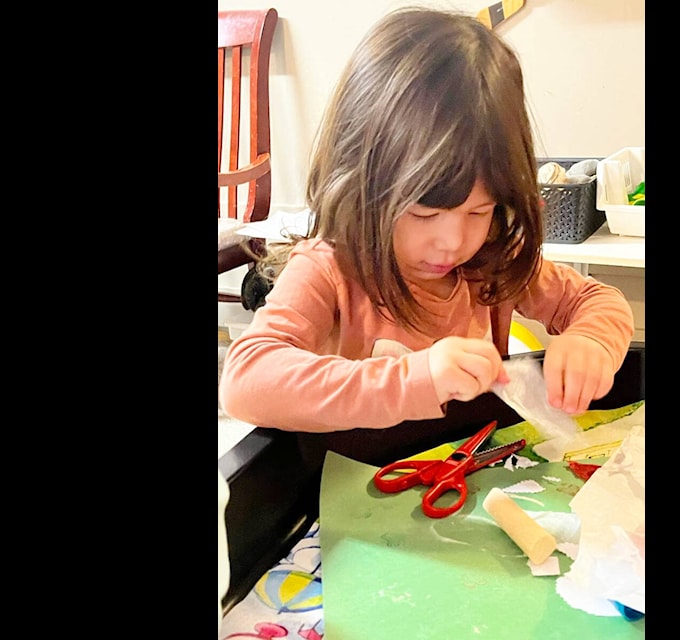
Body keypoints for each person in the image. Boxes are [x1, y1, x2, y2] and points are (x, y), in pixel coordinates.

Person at [219, 8, 634, 434]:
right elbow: (245, 381)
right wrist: (415, 379)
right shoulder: (330, 269)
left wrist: (591, 342)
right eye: (424, 213)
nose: (454, 241)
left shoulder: (493, 256)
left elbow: (598, 303)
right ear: (360, 186)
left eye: (479, 210)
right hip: (353, 471)